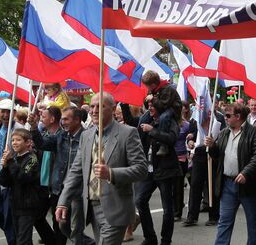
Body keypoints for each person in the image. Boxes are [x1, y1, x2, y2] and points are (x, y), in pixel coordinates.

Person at [55, 93, 147, 245]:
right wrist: (63, 201)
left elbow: (141, 169)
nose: (94, 110)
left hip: (115, 207)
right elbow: (76, 172)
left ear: (112, 108)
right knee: (69, 230)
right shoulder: (86, 136)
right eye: (92, 106)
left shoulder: (128, 133)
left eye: (100, 106)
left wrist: (111, 173)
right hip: (89, 205)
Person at [205, 102, 256, 245]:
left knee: (253, 222)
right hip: (227, 184)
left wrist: (246, 173)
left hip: (247, 185)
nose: (225, 118)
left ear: (238, 117)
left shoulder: (255, 133)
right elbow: (218, 155)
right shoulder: (224, 132)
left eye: (228, 115)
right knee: (224, 221)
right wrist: (212, 146)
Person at [31, 106, 91, 245]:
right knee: (59, 224)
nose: (62, 122)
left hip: (78, 190)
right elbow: (43, 144)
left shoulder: (88, 137)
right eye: (62, 119)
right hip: (59, 188)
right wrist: (34, 127)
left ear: (77, 120)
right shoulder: (61, 135)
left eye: (66, 119)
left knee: (71, 227)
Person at [136, 97, 182, 245]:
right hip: (148, 169)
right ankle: (150, 237)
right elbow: (136, 134)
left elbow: (172, 138)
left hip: (165, 170)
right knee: (140, 201)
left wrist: (153, 131)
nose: (150, 108)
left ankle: (165, 240)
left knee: (168, 209)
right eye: (148, 105)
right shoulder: (146, 120)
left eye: (152, 106)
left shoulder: (169, 121)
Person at [0, 99, 25, 245]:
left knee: (9, 216)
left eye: (8, 111)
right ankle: (15, 235)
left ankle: (14, 239)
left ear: (14, 113)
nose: (5, 115)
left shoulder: (20, 129)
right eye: (2, 111)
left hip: (10, 180)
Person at [0, 128, 43, 245]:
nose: (14, 143)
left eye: (18, 140)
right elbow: (4, 182)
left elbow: (23, 177)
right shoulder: (14, 159)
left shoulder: (32, 159)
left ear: (28, 142)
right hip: (15, 203)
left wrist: (11, 163)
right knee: (20, 238)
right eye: (13, 140)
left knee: (23, 240)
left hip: (27, 205)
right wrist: (5, 167)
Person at [183, 109, 222, 227]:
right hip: (199, 155)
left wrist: (213, 144)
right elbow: (191, 136)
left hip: (212, 155)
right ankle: (192, 216)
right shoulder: (195, 121)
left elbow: (222, 138)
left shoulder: (217, 120)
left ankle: (214, 216)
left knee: (212, 186)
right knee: (195, 185)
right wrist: (190, 141)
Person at [173, 101, 197, 222]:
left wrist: (190, 142)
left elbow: (191, 141)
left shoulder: (187, 125)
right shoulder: (168, 123)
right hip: (169, 157)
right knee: (170, 186)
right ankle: (174, 208)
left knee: (178, 186)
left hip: (182, 158)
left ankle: (177, 212)